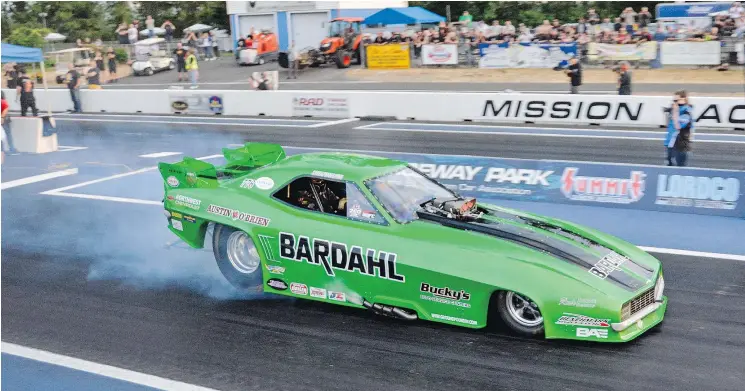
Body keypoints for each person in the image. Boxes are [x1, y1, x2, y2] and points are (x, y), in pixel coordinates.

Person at [665, 91, 694, 167]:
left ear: (683, 99)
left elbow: (678, 126)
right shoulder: (675, 110)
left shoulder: (686, 111)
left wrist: (675, 111)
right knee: (669, 167)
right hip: (671, 142)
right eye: (674, 101)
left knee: (680, 169)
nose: (675, 103)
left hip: (680, 145)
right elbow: (668, 125)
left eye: (676, 101)